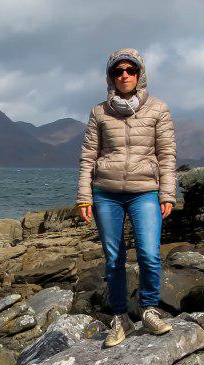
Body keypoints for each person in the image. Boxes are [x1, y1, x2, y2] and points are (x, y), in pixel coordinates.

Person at [76, 47, 176, 347]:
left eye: (130, 70)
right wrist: (84, 197)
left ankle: (149, 310)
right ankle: (120, 319)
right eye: (118, 71)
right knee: (114, 260)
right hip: (105, 194)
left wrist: (167, 193)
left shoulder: (158, 109)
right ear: (111, 77)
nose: (124, 76)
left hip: (145, 192)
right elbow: (88, 157)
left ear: (139, 74)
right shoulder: (99, 112)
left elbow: (167, 155)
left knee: (148, 254)